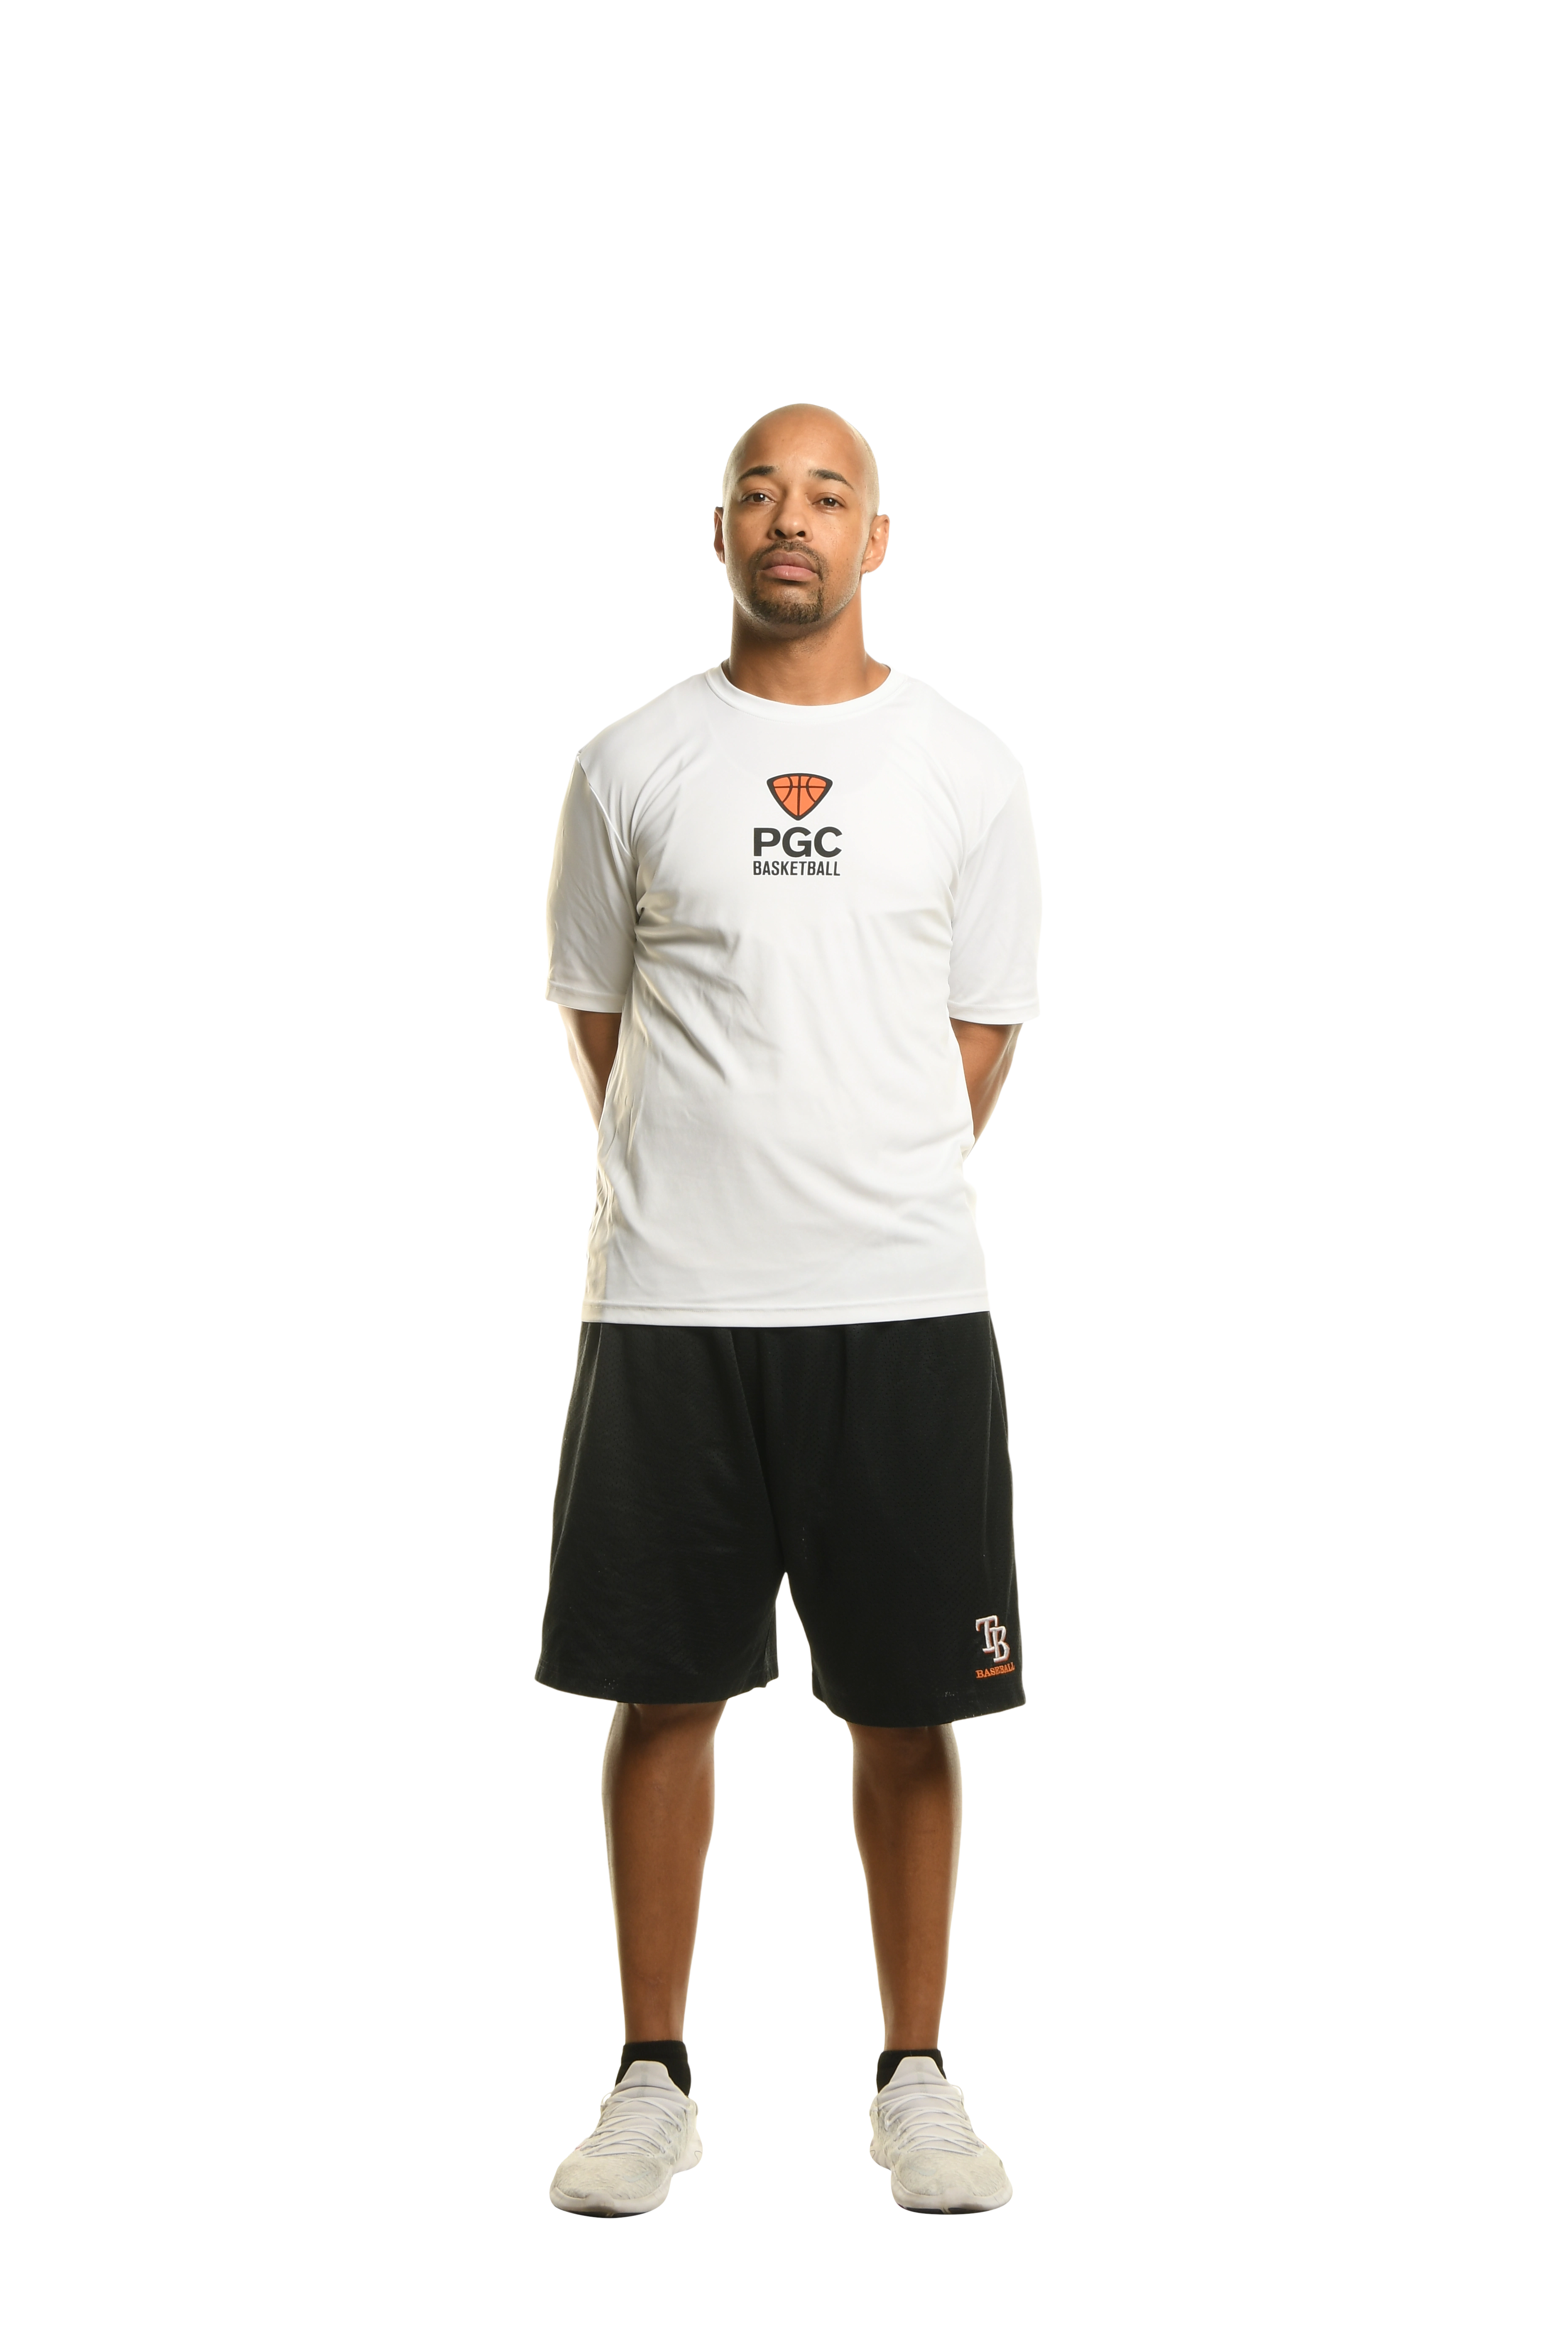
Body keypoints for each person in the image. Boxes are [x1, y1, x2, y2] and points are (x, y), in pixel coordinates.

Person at [540, 403, 1040, 2217]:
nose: (791, 519)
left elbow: (981, 1030)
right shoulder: (632, 762)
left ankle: (913, 2071)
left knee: (909, 1707)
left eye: (828, 494)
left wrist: (852, 1178)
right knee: (661, 1694)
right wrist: (714, 1174)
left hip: (901, 1308)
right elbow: (601, 1016)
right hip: (674, 1311)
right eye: (760, 490)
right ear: (720, 530)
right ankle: (652, 2075)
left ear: (874, 539)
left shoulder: (963, 768)